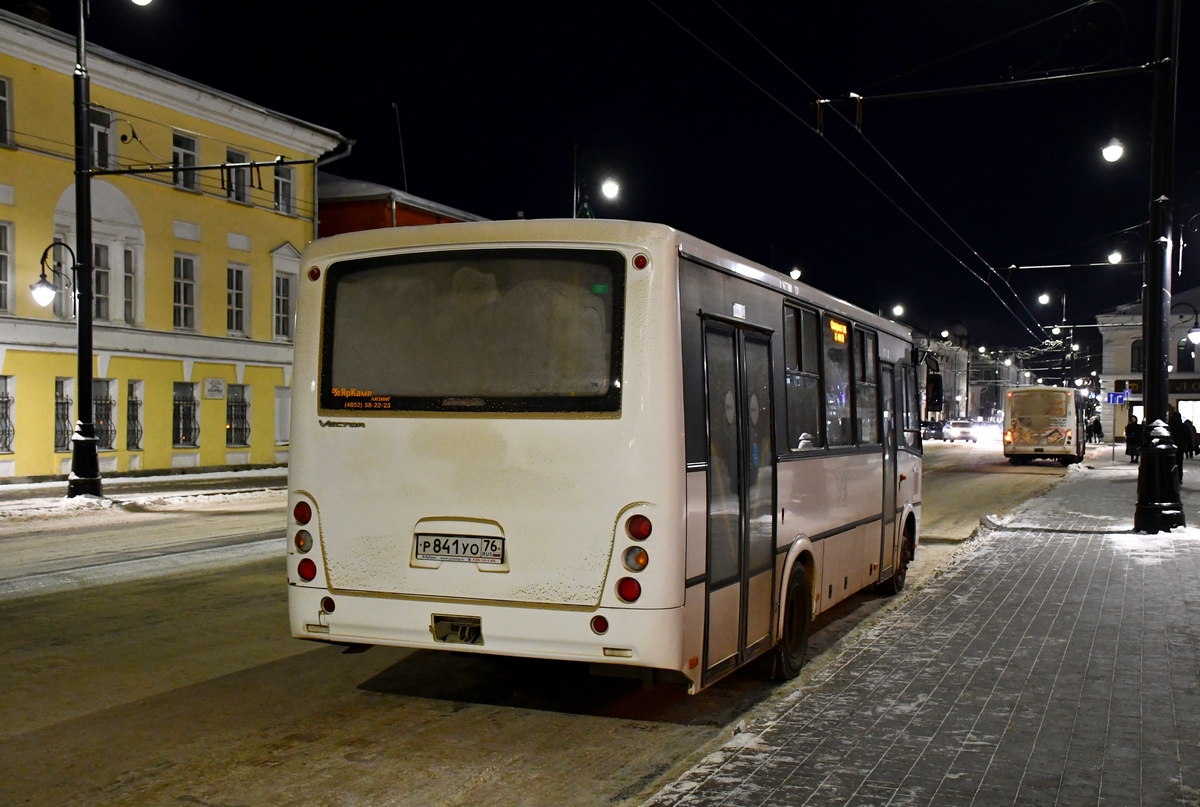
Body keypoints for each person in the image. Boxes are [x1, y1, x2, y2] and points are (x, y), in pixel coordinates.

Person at [1169, 409, 1187, 484]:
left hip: (1171, 447)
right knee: (1179, 463)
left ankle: (1171, 477)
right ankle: (1179, 478)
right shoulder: (1183, 426)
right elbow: (1187, 437)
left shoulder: (1170, 427)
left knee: (1171, 462)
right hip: (1180, 447)